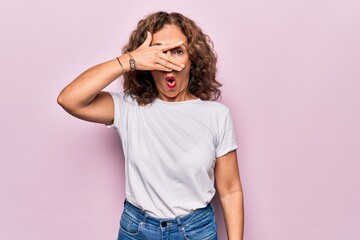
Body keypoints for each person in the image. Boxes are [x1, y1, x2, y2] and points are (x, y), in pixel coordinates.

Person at [57, 11, 244, 240]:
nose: (168, 61)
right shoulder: (129, 108)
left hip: (196, 231)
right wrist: (129, 60)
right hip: (137, 230)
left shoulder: (217, 115)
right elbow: (69, 99)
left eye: (178, 51)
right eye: (158, 52)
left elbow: (230, 190)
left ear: (192, 59)